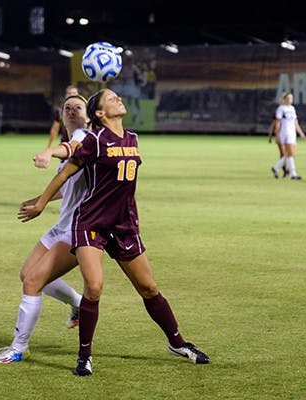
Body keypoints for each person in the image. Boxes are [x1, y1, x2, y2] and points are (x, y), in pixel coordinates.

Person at [18, 88, 209, 377]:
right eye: (111, 98)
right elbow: (66, 169)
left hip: (123, 225)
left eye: (117, 96)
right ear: (100, 113)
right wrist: (41, 202)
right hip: (91, 223)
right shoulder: (94, 139)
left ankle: (178, 343)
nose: (118, 99)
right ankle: (85, 356)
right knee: (93, 287)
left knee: (149, 288)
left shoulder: (132, 138)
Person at [0, 94, 91, 365]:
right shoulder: (72, 139)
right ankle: (78, 303)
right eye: (66, 107)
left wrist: (47, 151)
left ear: (88, 115)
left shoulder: (84, 136)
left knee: (33, 282)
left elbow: (72, 147)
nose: (71, 111)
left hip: (78, 229)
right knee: (27, 275)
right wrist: (40, 199)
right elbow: (69, 184)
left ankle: (19, 348)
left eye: (77, 107)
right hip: (62, 225)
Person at [270, 92, 306, 180]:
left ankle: (276, 168)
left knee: (291, 153)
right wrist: (277, 134)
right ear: (284, 99)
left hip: (292, 132)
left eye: (291, 98)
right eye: (289, 98)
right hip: (285, 132)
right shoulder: (281, 109)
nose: (290, 100)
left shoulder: (292, 108)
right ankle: (293, 174)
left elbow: (295, 122)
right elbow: (277, 123)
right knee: (290, 153)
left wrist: (300, 132)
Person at [268, 97, 288, 177]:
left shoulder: (290, 110)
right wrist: (271, 136)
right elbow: (274, 124)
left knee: (288, 154)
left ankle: (282, 169)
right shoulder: (279, 111)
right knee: (283, 154)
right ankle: (284, 171)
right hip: (280, 134)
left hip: (288, 134)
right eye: (281, 100)